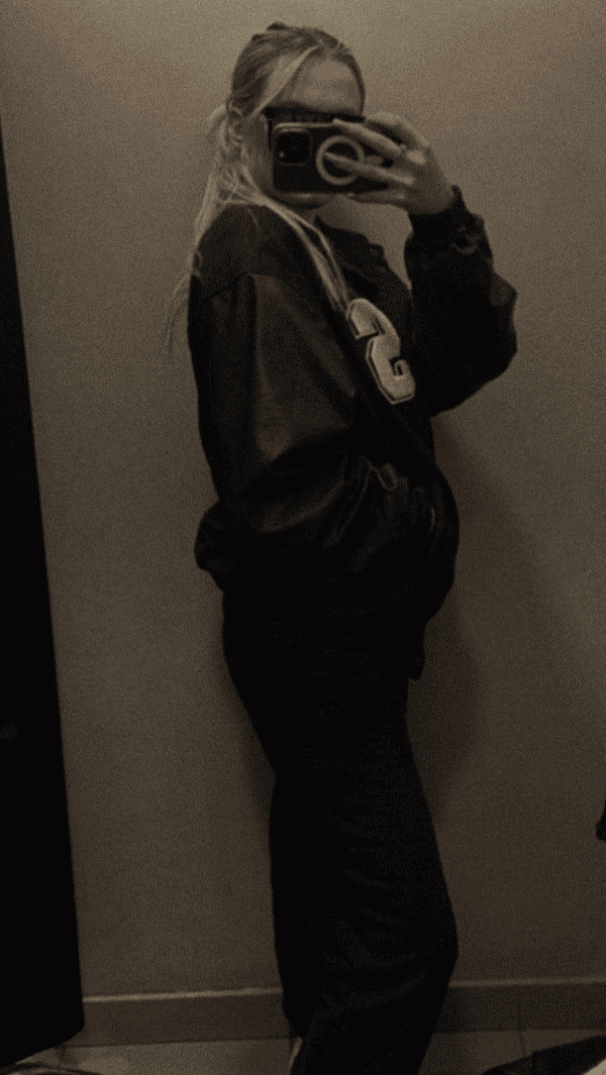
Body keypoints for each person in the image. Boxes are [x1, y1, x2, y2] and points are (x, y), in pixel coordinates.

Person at [178, 21, 518, 1075]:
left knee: (331, 895)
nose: (321, 142)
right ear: (242, 129)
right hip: (313, 642)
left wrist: (439, 215)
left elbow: (457, 361)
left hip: (344, 634)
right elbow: (291, 494)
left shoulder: (337, 250)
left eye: (345, 124)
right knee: (406, 941)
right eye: (295, 120)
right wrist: (430, 526)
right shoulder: (254, 248)